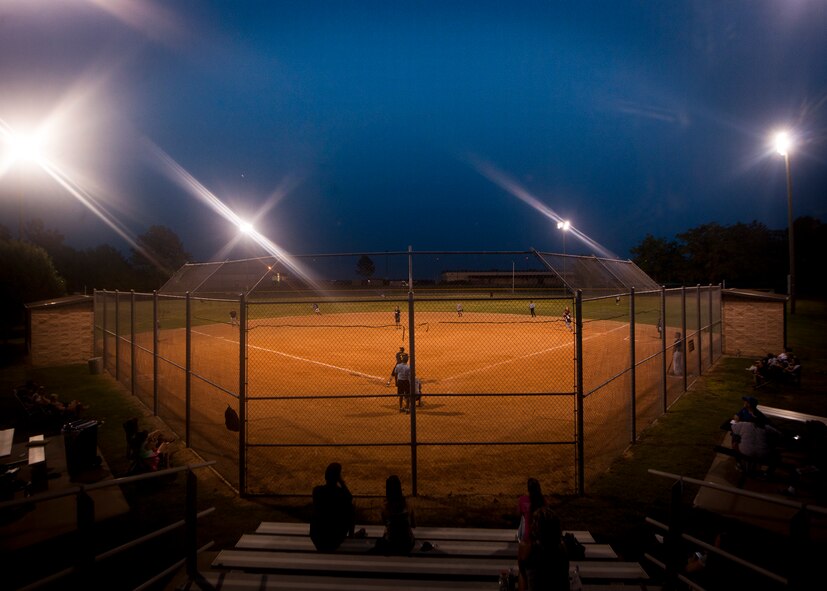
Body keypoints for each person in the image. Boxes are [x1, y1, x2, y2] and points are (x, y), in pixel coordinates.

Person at [310, 462, 360, 552]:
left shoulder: (317, 490)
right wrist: (341, 481)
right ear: (337, 478)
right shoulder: (340, 493)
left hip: (317, 538)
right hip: (334, 539)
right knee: (351, 507)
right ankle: (351, 536)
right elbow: (349, 497)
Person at [519, 505, 570, 591]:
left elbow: (522, 573)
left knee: (522, 572)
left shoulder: (527, 548)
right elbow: (565, 579)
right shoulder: (561, 549)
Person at [373, 475, 416, 555]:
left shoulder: (385, 507)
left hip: (391, 544)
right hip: (407, 545)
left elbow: (386, 524)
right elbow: (413, 525)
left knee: (379, 542)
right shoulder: (407, 505)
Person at [517, 478, 547, 590]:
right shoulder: (543, 501)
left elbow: (519, 513)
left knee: (522, 571)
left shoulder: (522, 500)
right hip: (541, 539)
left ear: (528, 490)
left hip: (527, 539)